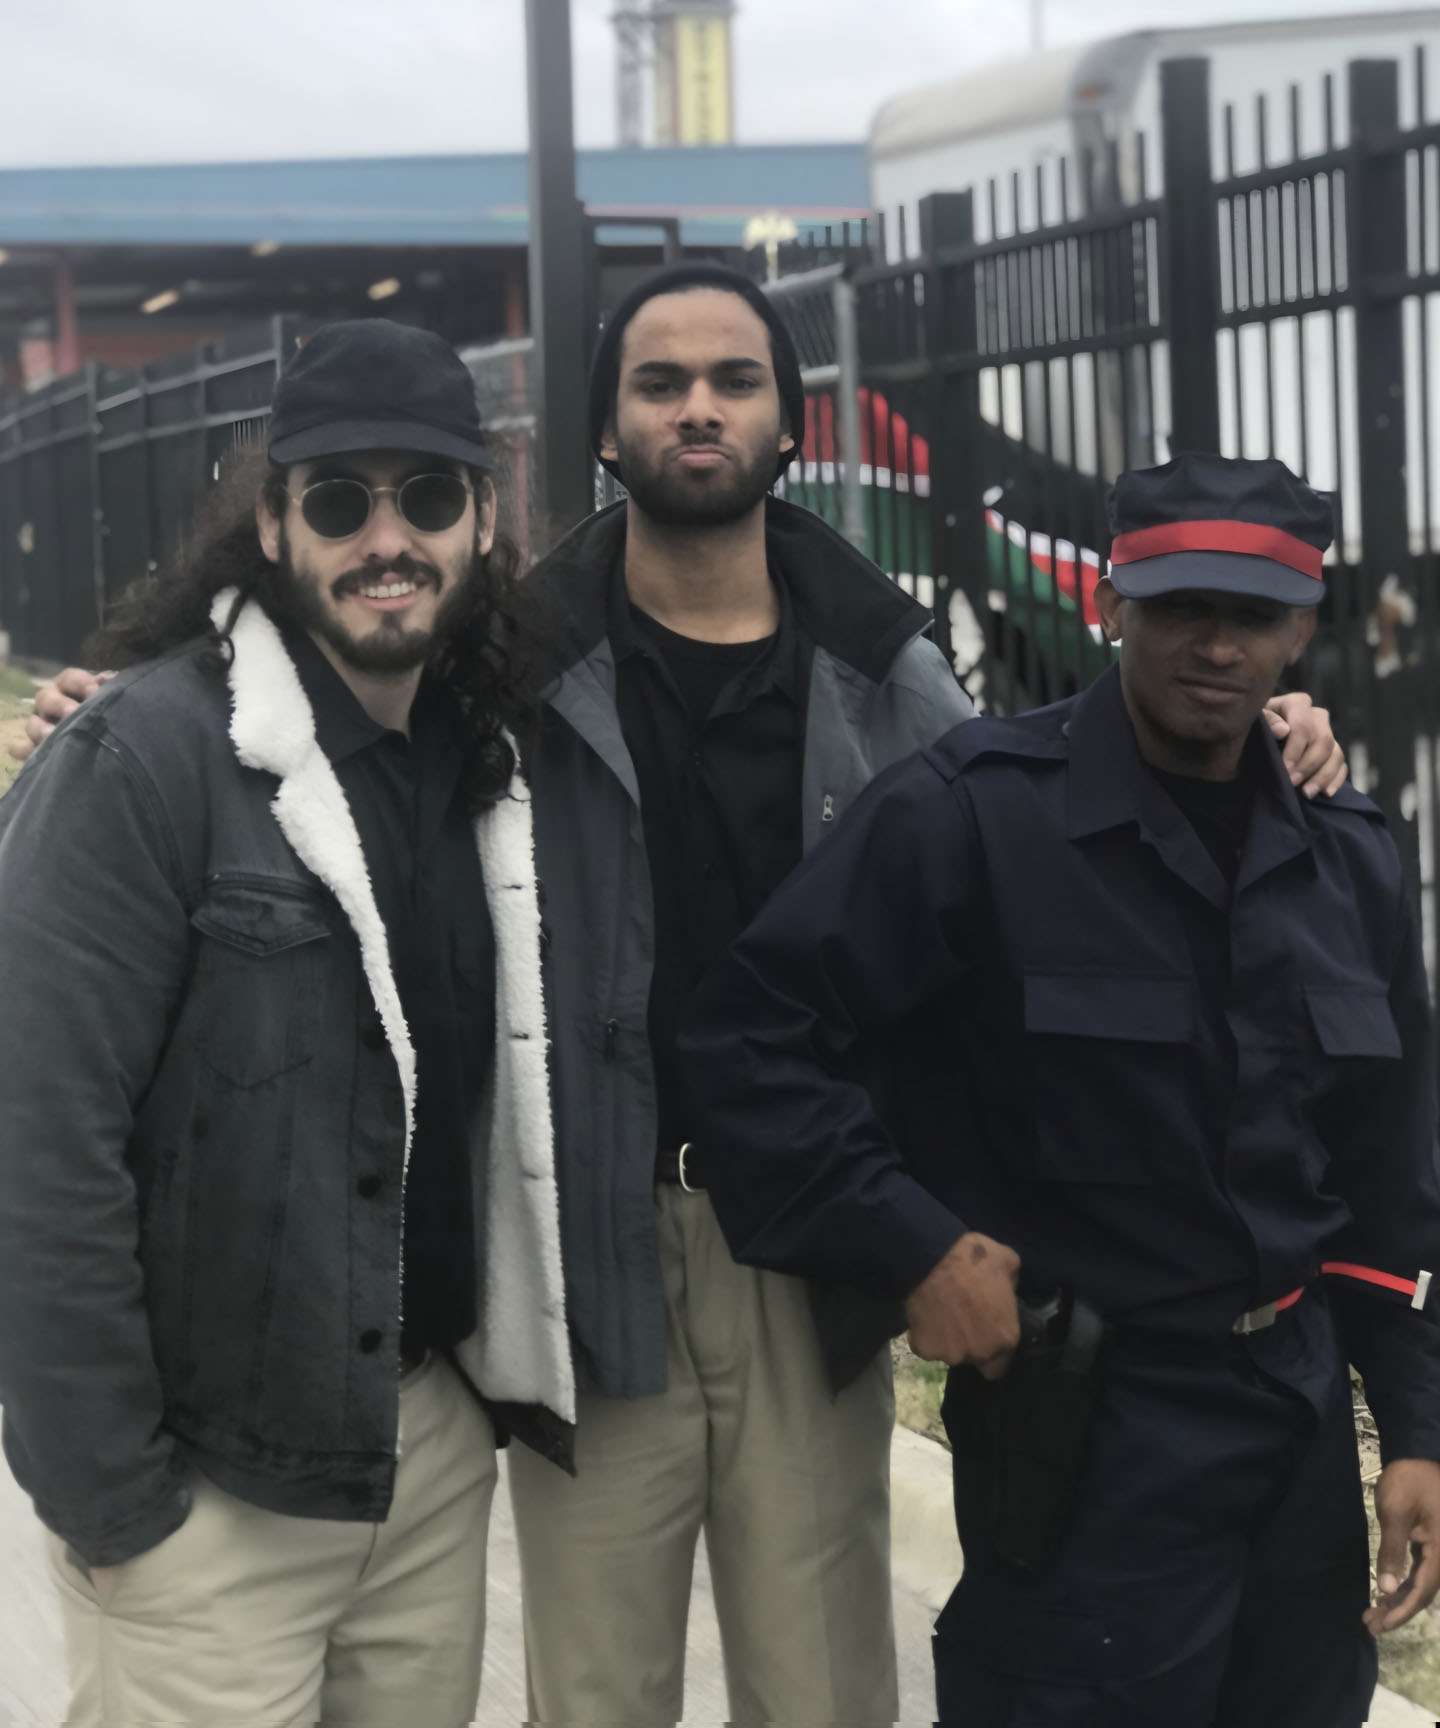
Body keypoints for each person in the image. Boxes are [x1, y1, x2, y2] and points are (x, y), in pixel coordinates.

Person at [14, 275, 1348, 1726]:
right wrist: (106, 716)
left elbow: (1053, 812)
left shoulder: (886, 670)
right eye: (659, 383)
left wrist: (1263, 730)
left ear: (790, 420)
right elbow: (291, 712)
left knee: (824, 1690)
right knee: (599, 1692)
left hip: (813, 1243)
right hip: (588, 1248)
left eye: (734, 379)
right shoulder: (498, 666)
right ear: (604, 429)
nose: (698, 407)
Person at [680, 451, 1440, 1728]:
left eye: (1254, 613)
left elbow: (1386, 1167)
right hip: (1090, 1426)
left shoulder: (1348, 855)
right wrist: (914, 1246)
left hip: (1295, 1424)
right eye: (1181, 605)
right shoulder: (972, 818)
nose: (1217, 644)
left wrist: (1416, 1425)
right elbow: (745, 1043)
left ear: (1303, 627)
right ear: (1109, 603)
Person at [0, 320, 571, 1728]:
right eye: (338, 501)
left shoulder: (489, 767)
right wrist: (116, 1506)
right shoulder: (143, 761)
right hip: (210, 1503)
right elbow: (36, 1143)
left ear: (482, 515)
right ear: (271, 522)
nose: (387, 538)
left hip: (424, 1461)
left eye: (425, 495)